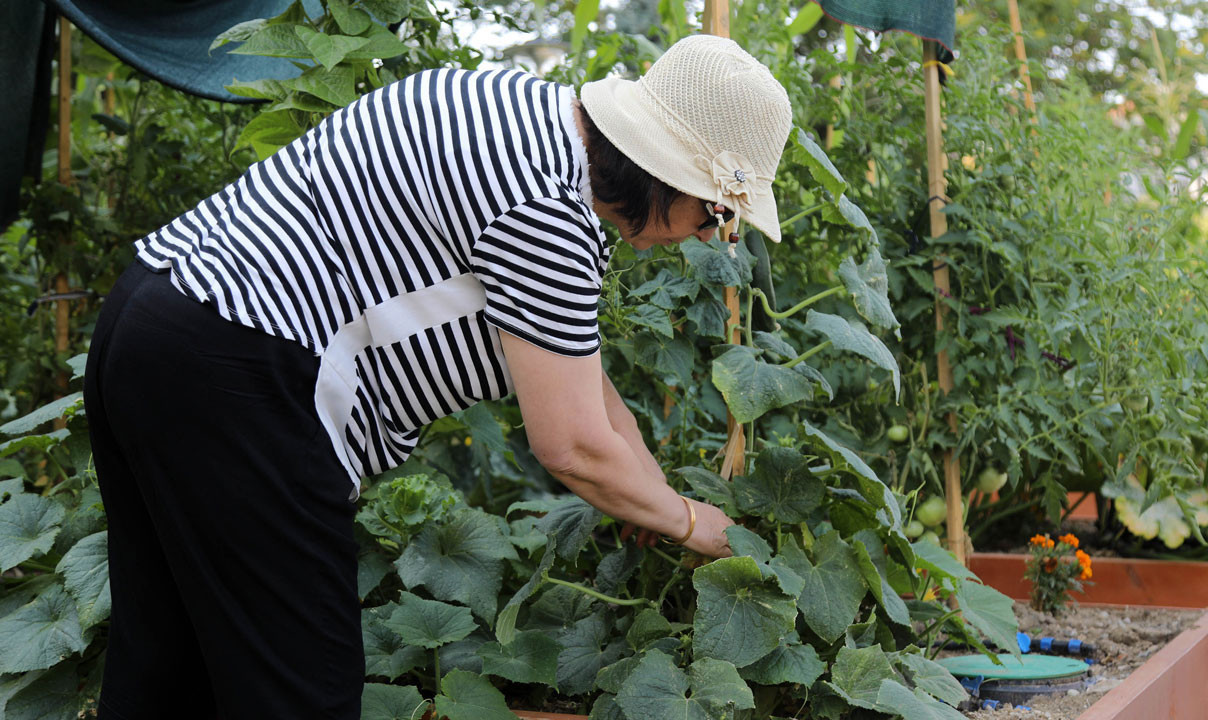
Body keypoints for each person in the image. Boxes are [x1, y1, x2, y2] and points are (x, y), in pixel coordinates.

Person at [83, 34, 792, 718]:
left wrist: (655, 500)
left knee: (164, 673)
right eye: (718, 210)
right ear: (665, 171)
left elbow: (592, 393)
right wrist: (697, 525)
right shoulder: (547, 211)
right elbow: (572, 442)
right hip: (238, 373)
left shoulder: (524, 115)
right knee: (303, 693)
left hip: (155, 323)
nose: (710, 235)